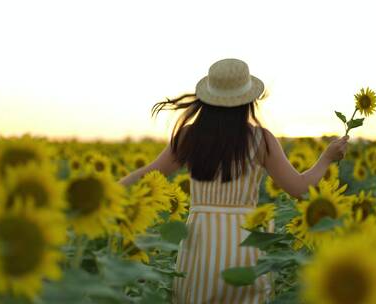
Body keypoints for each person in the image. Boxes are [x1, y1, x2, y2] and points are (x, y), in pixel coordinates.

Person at [119, 58, 349, 304]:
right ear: (248, 101)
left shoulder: (190, 136)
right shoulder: (261, 140)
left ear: (207, 99)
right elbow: (300, 189)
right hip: (246, 239)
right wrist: (326, 159)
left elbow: (149, 173)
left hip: (201, 240)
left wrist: (113, 191)